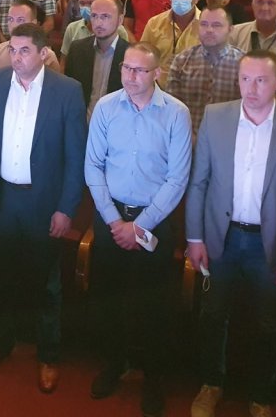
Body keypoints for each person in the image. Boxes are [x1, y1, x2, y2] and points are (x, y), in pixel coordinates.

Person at [186, 51, 276, 417]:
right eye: (245, 79)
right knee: (212, 315)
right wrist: (195, 238)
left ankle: (261, 396)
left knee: (267, 323)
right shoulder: (216, 116)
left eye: (261, 80)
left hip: (269, 244)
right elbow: (199, 182)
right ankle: (211, 384)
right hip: (222, 237)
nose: (252, 88)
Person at [0, 22, 86, 392]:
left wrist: (66, 208)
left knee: (46, 283)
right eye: (13, 49)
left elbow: (75, 158)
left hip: (43, 202)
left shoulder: (67, 90)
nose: (16, 57)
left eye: (24, 51)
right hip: (2, 197)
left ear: (43, 53)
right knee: (2, 277)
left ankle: (48, 355)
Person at [84, 42, 192, 415]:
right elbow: (93, 166)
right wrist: (115, 221)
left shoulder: (176, 114)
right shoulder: (105, 107)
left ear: (157, 73)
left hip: (154, 222)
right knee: (109, 299)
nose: (130, 76)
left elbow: (177, 178)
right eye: (126, 68)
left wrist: (140, 226)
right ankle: (114, 364)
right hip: (111, 217)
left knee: (154, 306)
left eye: (139, 70)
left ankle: (153, 379)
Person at [167, 7, 244, 135]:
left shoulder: (244, 64)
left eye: (216, 25)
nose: (209, 30)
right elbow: (171, 108)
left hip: (230, 139)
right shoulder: (182, 61)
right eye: (204, 24)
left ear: (230, 30)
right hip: (187, 138)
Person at [64, 0, 128, 117]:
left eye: (105, 16)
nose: (98, 23)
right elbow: (68, 93)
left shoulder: (130, 55)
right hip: (81, 121)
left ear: (120, 20)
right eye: (94, 16)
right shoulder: (77, 49)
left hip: (116, 122)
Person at [140, 0, 201, 85]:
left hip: (193, 89)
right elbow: (142, 59)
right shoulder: (154, 24)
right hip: (159, 88)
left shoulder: (207, 26)